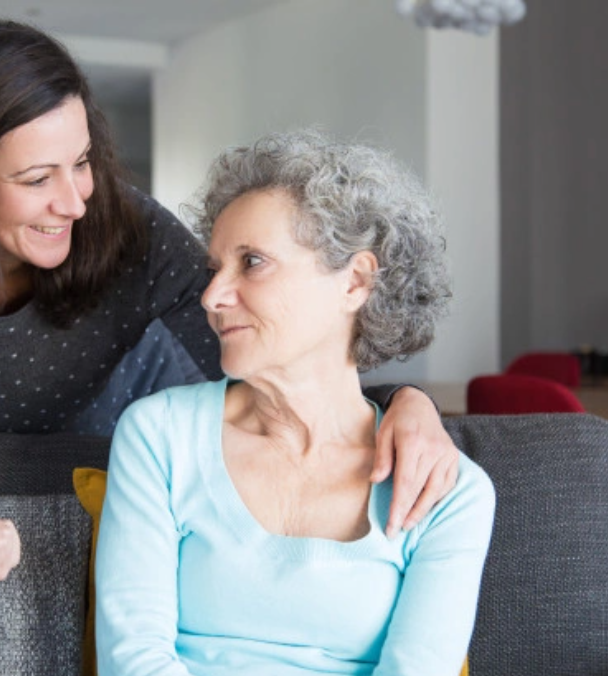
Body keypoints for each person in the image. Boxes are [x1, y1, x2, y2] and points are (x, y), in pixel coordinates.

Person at [0, 15, 459, 589]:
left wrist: (403, 402)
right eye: (37, 178)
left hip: (139, 458)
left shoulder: (129, 230)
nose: (76, 200)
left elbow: (284, 365)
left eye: (82, 161)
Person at [96, 129, 496, 676]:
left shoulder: (450, 494)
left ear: (354, 282)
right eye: (215, 269)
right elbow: (134, 662)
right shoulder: (159, 434)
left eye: (252, 262)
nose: (212, 297)